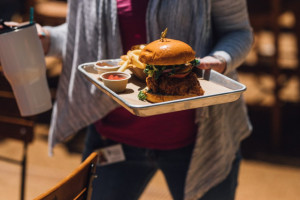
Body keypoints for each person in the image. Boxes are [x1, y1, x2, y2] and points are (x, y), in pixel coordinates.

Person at [4, 0, 253, 199]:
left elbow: (238, 30)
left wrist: (218, 61)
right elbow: (83, 31)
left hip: (201, 140)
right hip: (113, 138)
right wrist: (45, 39)